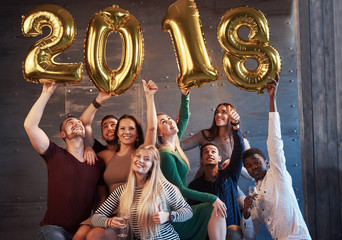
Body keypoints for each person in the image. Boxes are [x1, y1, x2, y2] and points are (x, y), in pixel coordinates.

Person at [24, 82, 106, 240]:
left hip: (82, 231)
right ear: (62, 134)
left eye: (79, 123)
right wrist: (46, 93)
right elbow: (30, 125)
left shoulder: (97, 163)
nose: (77, 123)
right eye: (71, 123)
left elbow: (101, 198)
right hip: (53, 230)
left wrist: (93, 222)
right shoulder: (54, 153)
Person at [240, 73, 311, 240]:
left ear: (266, 162)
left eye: (256, 162)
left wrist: (272, 98)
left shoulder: (277, 173)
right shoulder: (255, 195)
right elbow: (250, 235)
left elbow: (275, 139)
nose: (253, 167)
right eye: (249, 166)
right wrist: (246, 213)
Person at [85, 79, 158, 239]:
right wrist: (88, 147)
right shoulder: (105, 155)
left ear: (137, 134)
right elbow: (84, 128)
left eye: (131, 128)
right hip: (110, 212)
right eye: (122, 128)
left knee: (95, 236)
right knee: (83, 234)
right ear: (117, 133)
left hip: (133, 212)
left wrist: (149, 96)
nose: (127, 132)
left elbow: (152, 128)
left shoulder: (140, 154)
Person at [157, 89, 227, 240]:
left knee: (216, 210)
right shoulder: (165, 155)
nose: (170, 121)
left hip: (183, 208)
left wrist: (185, 94)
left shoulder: (174, 146)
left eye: (169, 118)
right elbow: (180, 190)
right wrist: (212, 198)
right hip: (173, 214)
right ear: (159, 134)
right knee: (214, 207)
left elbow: (183, 119)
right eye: (163, 122)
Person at [92, 144, 193, 239]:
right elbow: (96, 217)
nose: (140, 160)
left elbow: (188, 212)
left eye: (146, 159)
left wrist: (168, 216)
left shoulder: (163, 187)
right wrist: (109, 222)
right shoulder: (122, 190)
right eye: (138, 156)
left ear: (152, 167)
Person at [180, 102, 253, 209]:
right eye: (217, 112)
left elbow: (251, 176)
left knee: (246, 209)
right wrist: (175, 129)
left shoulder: (241, 141)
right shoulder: (205, 135)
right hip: (203, 183)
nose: (218, 115)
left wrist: (235, 165)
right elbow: (180, 146)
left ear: (232, 115)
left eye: (223, 112)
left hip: (227, 184)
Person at [187, 106, 245, 240]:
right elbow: (192, 215)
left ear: (219, 158)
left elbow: (239, 150)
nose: (209, 154)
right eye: (206, 152)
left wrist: (235, 126)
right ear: (201, 160)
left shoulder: (229, 175)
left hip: (232, 232)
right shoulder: (195, 186)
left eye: (213, 152)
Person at [80, 91, 118, 164]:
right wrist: (98, 101)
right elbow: (83, 124)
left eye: (113, 124)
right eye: (105, 127)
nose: (109, 128)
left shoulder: (132, 149)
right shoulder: (98, 150)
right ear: (102, 137)